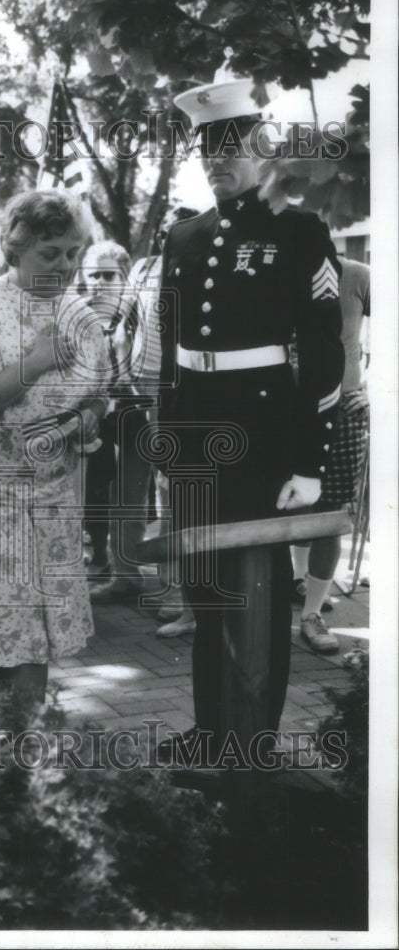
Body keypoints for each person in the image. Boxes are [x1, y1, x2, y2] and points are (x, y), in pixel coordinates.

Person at [156, 77, 344, 755]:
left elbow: (323, 353)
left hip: (264, 435)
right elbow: (170, 347)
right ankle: (211, 730)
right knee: (208, 595)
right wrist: (169, 438)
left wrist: (309, 462)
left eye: (232, 146)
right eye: (207, 148)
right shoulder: (183, 234)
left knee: (260, 595)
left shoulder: (297, 231)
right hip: (199, 435)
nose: (217, 160)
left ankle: (255, 737)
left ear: (264, 151)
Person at [0, 190, 111, 703]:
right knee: (17, 641)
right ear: (14, 250)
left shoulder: (83, 316)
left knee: (33, 640)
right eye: (50, 254)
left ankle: (17, 753)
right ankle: (23, 756)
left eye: (74, 252)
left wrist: (88, 421)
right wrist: (38, 359)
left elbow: (100, 395)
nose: (67, 265)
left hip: (53, 498)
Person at [87, 209, 199, 643]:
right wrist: (119, 371)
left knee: (168, 493)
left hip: (175, 393)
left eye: (177, 229)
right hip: (133, 389)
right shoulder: (143, 267)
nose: (168, 234)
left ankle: (173, 591)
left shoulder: (200, 270)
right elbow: (125, 323)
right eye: (164, 228)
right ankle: (126, 574)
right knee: (125, 488)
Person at [289, 257, 370, 652]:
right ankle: (295, 580)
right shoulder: (272, 269)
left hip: (342, 409)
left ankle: (312, 613)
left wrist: (377, 390)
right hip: (281, 409)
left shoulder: (357, 274)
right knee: (284, 507)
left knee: (330, 515)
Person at [76, 240, 133, 577]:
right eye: (93, 274)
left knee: (128, 490)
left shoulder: (137, 313)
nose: (99, 281)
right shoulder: (77, 314)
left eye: (108, 275)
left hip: (130, 407)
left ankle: (130, 564)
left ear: (124, 278)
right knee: (95, 485)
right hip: (93, 409)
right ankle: (99, 556)